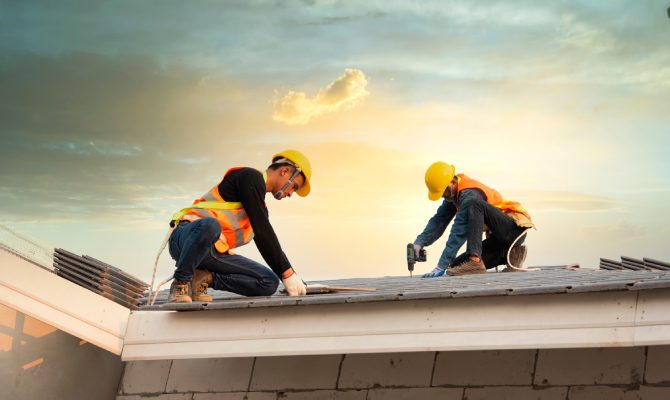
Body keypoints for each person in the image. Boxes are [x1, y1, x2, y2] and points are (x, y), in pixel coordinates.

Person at [166, 150, 312, 302]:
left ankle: (202, 279)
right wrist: (288, 273)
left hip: (212, 253)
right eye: (294, 186)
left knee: (269, 282)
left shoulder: (257, 206)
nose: (290, 194)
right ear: (284, 171)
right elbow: (263, 231)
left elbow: (266, 243)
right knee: (210, 225)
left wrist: (291, 278)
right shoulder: (249, 177)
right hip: (185, 239)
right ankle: (180, 283)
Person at [412, 161, 534, 278]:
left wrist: (440, 266)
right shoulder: (453, 194)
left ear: (453, 182)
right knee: (456, 266)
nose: (443, 196)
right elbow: (439, 221)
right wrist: (419, 243)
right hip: (499, 240)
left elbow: (458, 232)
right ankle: (512, 253)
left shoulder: (469, 194)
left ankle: (475, 261)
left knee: (474, 204)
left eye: (444, 192)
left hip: (514, 230)